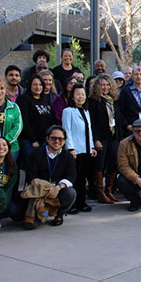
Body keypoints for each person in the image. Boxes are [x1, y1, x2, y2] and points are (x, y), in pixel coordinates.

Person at [24, 125, 77, 228]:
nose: (57, 141)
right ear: (47, 139)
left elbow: (72, 176)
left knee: (71, 193)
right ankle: (42, 214)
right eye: (53, 138)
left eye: (60, 139)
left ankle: (59, 215)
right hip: (38, 191)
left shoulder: (68, 156)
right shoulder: (36, 154)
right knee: (30, 226)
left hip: (57, 190)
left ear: (64, 141)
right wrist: (46, 188)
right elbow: (30, 176)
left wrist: (58, 187)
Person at [88, 74, 124, 204]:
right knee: (100, 164)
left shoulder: (113, 100)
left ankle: (109, 190)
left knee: (113, 163)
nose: (105, 87)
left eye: (108, 84)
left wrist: (120, 138)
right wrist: (95, 139)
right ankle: (100, 192)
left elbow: (118, 120)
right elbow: (91, 122)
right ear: (97, 86)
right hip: (101, 138)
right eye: (102, 84)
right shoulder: (93, 101)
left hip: (113, 136)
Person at [62, 84, 97, 214]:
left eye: (82, 94)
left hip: (86, 149)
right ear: (72, 96)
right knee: (74, 178)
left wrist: (92, 146)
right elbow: (67, 131)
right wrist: (70, 148)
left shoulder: (86, 111)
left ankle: (82, 203)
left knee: (83, 178)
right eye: (77, 94)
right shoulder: (68, 111)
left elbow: (89, 131)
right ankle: (71, 205)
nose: (80, 97)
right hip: (75, 150)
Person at [16, 74, 58, 164]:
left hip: (44, 139)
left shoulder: (44, 99)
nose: (38, 87)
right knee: (32, 165)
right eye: (34, 84)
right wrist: (33, 140)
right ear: (30, 86)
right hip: (30, 140)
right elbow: (24, 121)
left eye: (40, 85)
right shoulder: (24, 99)